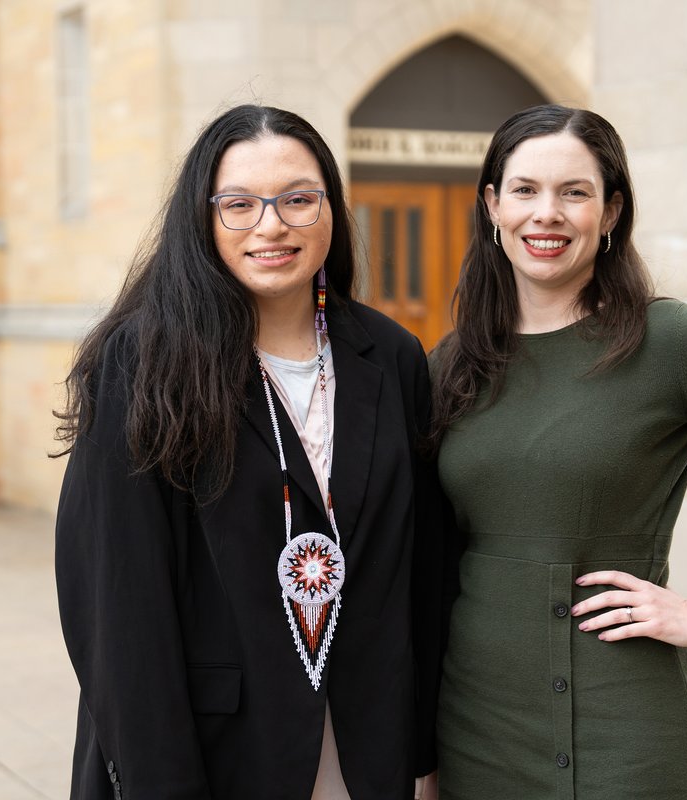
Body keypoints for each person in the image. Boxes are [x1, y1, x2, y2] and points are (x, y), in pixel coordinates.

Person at [427, 104, 687, 799]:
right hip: (476, 725)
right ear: (492, 205)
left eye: (576, 192)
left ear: (612, 211)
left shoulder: (675, 343)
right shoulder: (451, 364)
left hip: (623, 723)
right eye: (526, 190)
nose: (548, 214)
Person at [53, 105, 440, 799]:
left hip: (365, 750)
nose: (271, 226)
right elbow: (117, 607)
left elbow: (417, 571)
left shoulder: (392, 356)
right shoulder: (145, 361)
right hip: (215, 756)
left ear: (331, 210)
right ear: (202, 219)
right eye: (239, 204)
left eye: (298, 199)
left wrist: (424, 752)